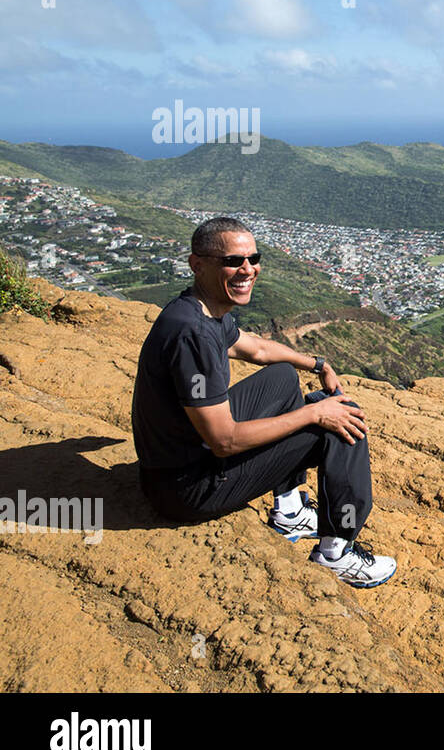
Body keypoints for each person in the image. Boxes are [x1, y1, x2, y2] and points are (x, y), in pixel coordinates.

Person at [131, 216, 396, 588]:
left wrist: (318, 364)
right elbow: (224, 441)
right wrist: (314, 413)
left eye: (253, 258)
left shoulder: (199, 309)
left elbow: (255, 348)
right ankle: (336, 553)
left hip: (175, 465)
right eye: (233, 261)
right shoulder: (194, 335)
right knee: (341, 424)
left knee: (283, 375)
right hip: (186, 490)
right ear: (197, 264)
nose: (247, 269)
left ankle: (288, 510)